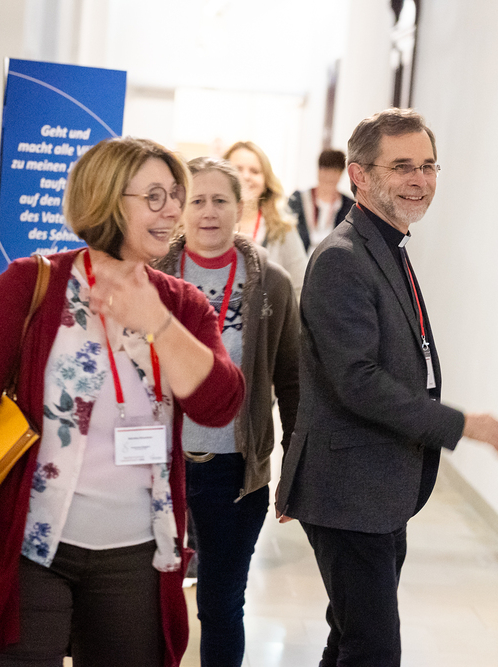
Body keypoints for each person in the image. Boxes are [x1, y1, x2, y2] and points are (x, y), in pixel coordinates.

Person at [0, 137, 245, 667]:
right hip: (29, 546)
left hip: (136, 554)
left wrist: (158, 323)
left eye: (175, 195)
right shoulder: (31, 284)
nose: (172, 211)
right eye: (155, 196)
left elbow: (219, 405)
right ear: (108, 200)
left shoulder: (181, 304)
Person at [275, 108, 498, 667]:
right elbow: (357, 381)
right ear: (358, 175)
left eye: (428, 166)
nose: (419, 179)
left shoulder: (387, 246)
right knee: (373, 650)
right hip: (348, 489)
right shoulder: (343, 258)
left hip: (377, 488)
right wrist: (462, 425)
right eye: (402, 166)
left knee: (350, 638)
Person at [154, 157, 299, 667]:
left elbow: (291, 381)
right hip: (157, 465)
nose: (208, 212)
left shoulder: (271, 284)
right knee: (147, 602)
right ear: (180, 208)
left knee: (220, 605)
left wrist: (293, 472)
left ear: (241, 207)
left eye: (220, 200)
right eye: (197, 200)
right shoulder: (152, 275)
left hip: (234, 473)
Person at [224, 141, 307, 295]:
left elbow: (300, 287)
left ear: (266, 182)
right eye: (237, 169)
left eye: (255, 171)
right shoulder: (209, 224)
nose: (246, 176)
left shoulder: (283, 229)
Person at [287, 148, 355, 253]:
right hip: (300, 256)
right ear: (318, 171)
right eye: (325, 171)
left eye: (334, 172)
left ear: (341, 174)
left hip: (331, 258)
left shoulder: (348, 206)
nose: (329, 176)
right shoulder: (298, 200)